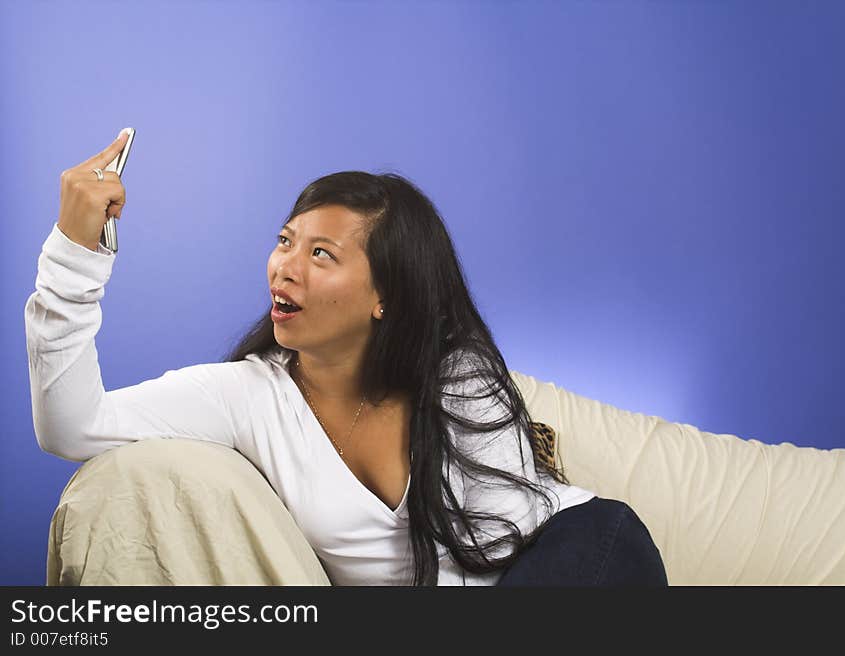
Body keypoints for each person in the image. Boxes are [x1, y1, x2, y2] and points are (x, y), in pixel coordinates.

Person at [26, 130, 667, 587]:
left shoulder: (458, 376)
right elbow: (71, 425)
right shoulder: (248, 396)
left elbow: (492, 562)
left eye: (321, 254)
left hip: (582, 557)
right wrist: (75, 254)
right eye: (285, 241)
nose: (285, 268)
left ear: (384, 296)